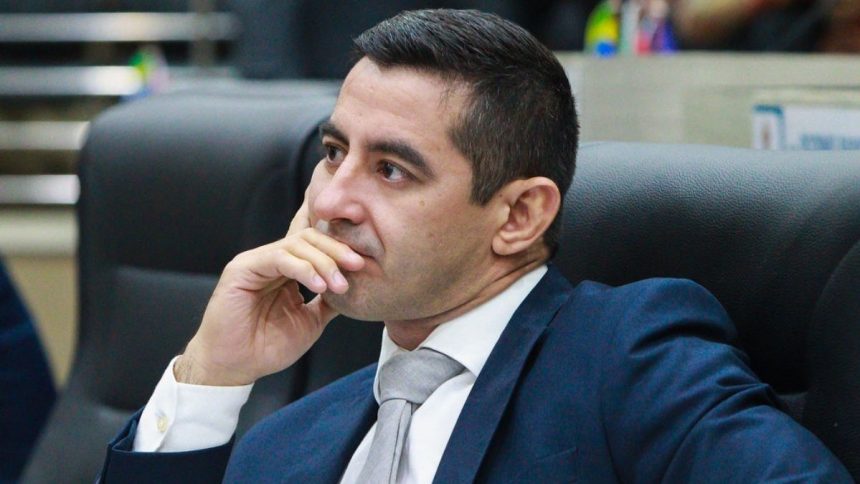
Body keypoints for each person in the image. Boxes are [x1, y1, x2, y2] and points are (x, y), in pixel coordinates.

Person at [99, 9, 851, 483]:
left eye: (391, 170)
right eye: (334, 153)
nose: (328, 202)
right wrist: (211, 375)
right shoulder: (283, 445)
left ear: (519, 214)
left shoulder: (626, 357)